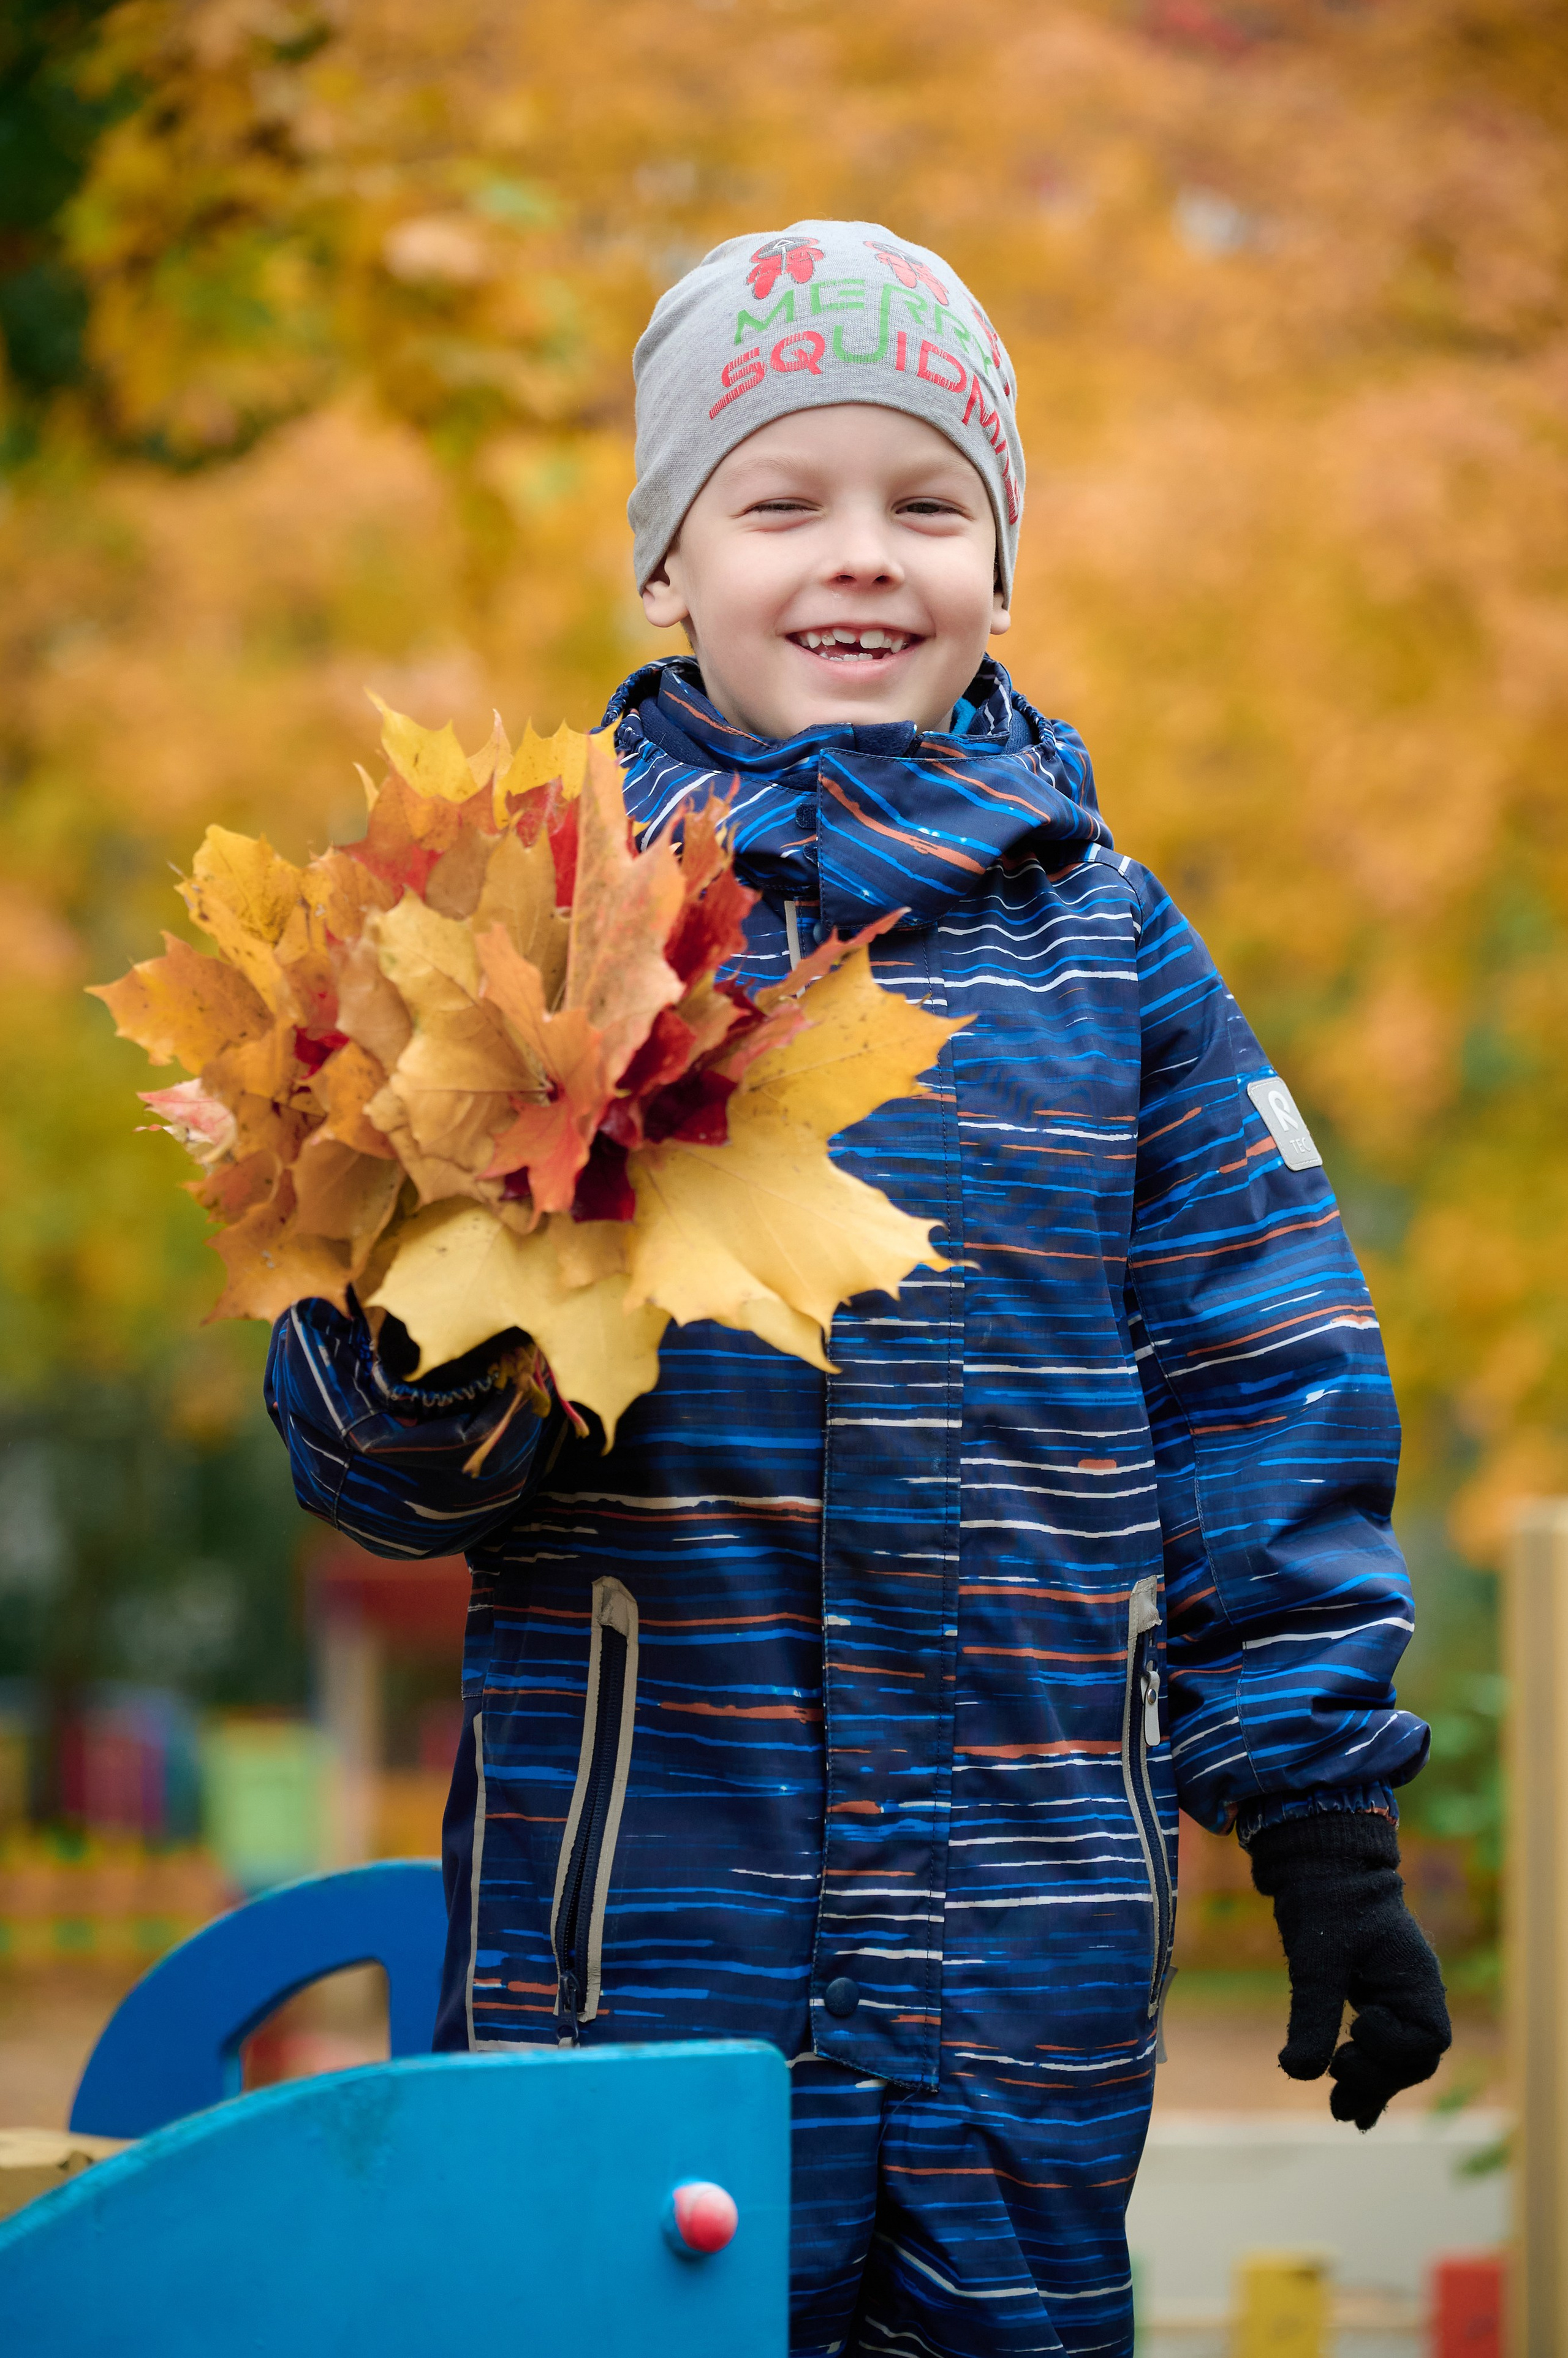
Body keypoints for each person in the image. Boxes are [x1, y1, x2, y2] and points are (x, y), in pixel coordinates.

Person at [266, 220, 1450, 2357]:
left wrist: (1322, 1806)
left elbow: (1265, 1371)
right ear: (668, 564)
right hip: (636, 1930)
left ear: (1005, 563)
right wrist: (408, 1356)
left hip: (1024, 1935)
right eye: (781, 501)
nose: (861, 559)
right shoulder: (539, 923)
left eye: (929, 505)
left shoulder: (1111, 956)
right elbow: (392, 1469)